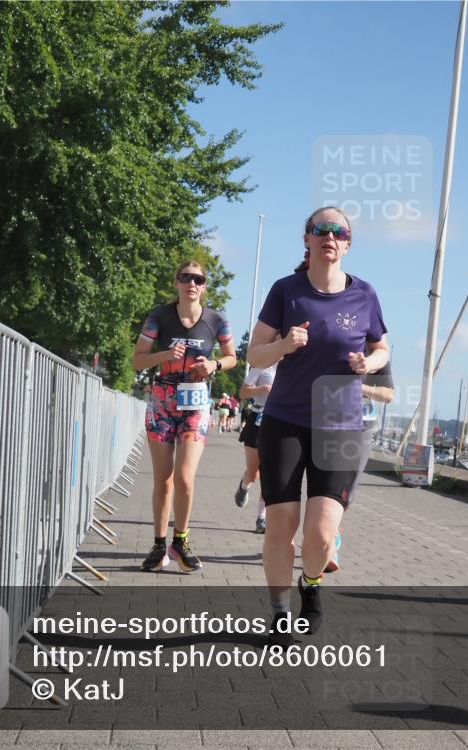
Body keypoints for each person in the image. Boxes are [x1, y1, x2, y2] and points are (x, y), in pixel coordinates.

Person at [248, 206, 388, 644]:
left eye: (338, 231)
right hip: (285, 420)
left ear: (347, 243)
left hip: (339, 424)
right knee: (281, 525)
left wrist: (369, 363)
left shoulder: (364, 295)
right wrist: (285, 344)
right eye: (320, 229)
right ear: (306, 240)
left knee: (322, 533)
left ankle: (310, 585)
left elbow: (383, 349)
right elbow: (254, 356)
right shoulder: (285, 291)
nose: (329, 236)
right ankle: (278, 611)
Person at [132, 261, 236, 572]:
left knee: (185, 479)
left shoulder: (217, 320)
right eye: (186, 278)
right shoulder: (159, 316)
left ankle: (181, 541)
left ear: (205, 286)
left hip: (196, 402)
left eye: (198, 279)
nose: (192, 283)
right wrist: (165, 355)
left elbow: (232, 357)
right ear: (176, 282)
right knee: (163, 481)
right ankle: (158, 545)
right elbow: (137, 360)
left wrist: (214, 365)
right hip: (162, 401)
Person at [325, 354, 395, 573]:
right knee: (325, 483)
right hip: (328, 422)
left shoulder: (377, 354)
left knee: (348, 486)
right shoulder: (334, 343)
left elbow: (388, 395)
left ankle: (331, 534)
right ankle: (327, 539)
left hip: (362, 426)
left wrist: (363, 389)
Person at [236, 362, 277, 533]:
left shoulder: (292, 365)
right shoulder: (263, 365)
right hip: (257, 418)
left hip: (279, 420)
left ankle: (262, 518)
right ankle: (244, 486)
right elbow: (243, 392)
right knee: (254, 474)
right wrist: (262, 389)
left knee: (269, 473)